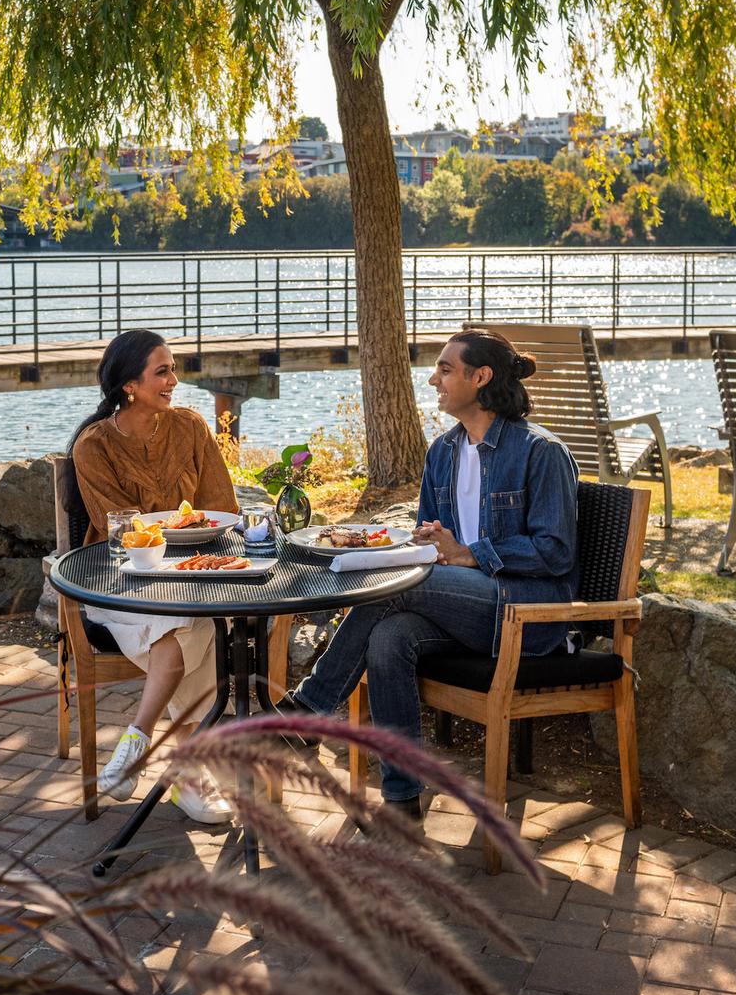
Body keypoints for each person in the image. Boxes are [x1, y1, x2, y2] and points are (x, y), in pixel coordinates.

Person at [277, 328, 579, 819]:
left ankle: (307, 712)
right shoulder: (442, 452)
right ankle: (401, 798)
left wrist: (471, 554)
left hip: (525, 614)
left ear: (480, 377)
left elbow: (555, 551)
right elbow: (430, 539)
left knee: (394, 589)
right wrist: (425, 544)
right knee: (390, 636)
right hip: (462, 607)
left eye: (445, 368)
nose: (433, 379)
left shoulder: (539, 452)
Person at [70, 329, 238, 825]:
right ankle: (185, 773)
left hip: (188, 579)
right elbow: (121, 532)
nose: (174, 380)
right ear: (129, 385)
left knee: (194, 620)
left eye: (173, 369)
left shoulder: (190, 428)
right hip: (118, 584)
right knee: (195, 626)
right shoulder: (93, 447)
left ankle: (141, 750)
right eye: (162, 371)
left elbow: (220, 508)